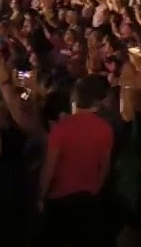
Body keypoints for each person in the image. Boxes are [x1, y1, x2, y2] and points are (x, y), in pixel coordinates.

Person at [38, 75, 114, 246]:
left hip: (61, 201)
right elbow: (104, 167)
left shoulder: (61, 129)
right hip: (89, 200)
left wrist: (40, 196)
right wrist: (96, 189)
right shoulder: (105, 129)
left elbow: (49, 169)